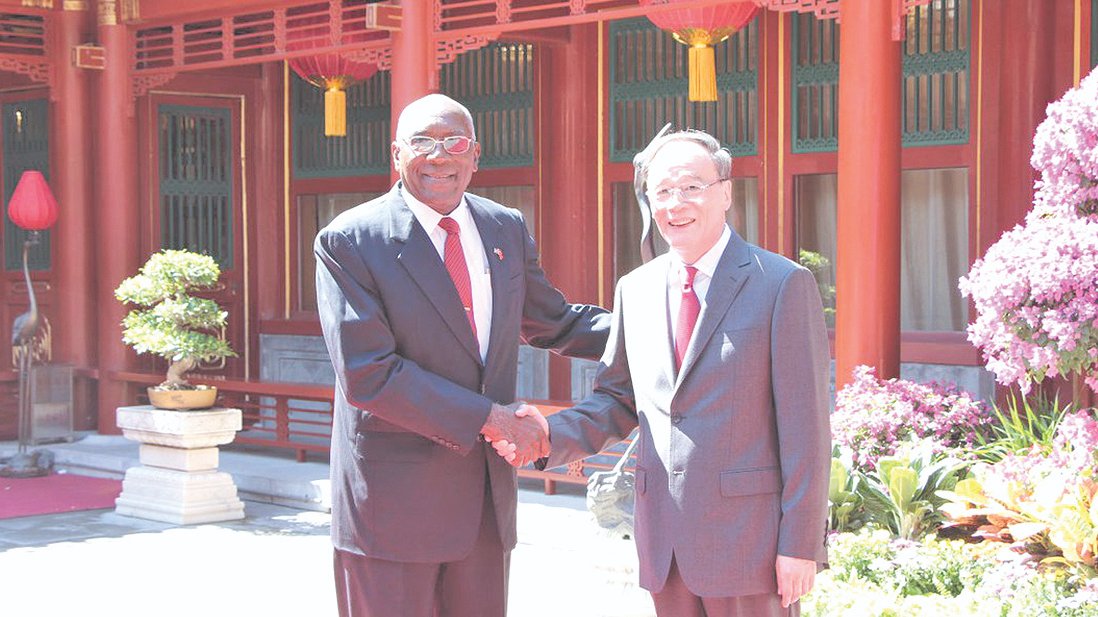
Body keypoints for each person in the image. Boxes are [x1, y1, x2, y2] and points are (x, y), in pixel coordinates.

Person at [495, 129, 831, 616]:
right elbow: (618, 400)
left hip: (750, 544)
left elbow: (807, 429)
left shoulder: (780, 284)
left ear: (726, 192)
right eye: (662, 192)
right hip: (665, 543)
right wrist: (548, 434)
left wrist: (800, 545)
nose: (677, 203)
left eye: (692, 187)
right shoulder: (636, 289)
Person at [314, 93, 610, 617]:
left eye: (454, 142)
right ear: (396, 154)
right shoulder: (351, 241)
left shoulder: (504, 227)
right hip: (392, 503)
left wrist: (658, 331)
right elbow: (369, 374)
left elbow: (553, 322)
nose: (439, 156)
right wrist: (493, 420)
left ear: (476, 155)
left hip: (483, 503)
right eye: (423, 142)